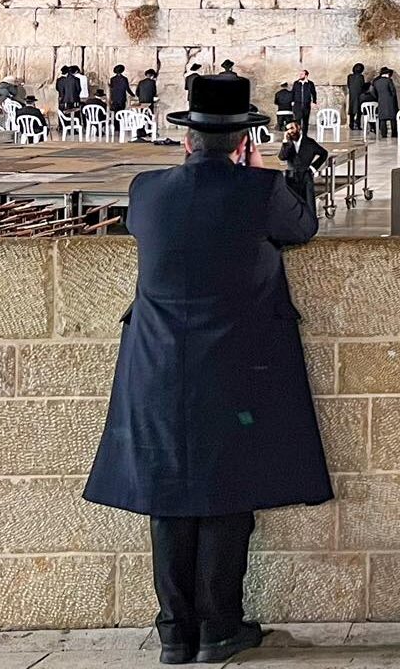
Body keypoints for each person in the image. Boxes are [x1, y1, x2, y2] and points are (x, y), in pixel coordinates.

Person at [83, 72, 324, 666]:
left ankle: (174, 633)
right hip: (235, 365)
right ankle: (219, 626)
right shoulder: (260, 191)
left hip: (157, 364)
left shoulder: (146, 191)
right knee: (227, 492)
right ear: (243, 141)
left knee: (168, 495)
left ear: (188, 139)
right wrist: (280, 176)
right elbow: (301, 228)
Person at [277, 119, 330, 206]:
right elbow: (282, 157)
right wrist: (285, 142)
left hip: (305, 176)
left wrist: (313, 168)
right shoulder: (288, 143)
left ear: (298, 128)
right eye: (287, 129)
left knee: (308, 204)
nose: (290, 131)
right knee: (291, 204)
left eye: (291, 128)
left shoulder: (309, 143)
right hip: (291, 177)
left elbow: (324, 153)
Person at [372, 67, 400, 137]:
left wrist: (378, 98)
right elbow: (393, 91)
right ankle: (394, 133)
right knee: (393, 118)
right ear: (387, 74)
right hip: (390, 102)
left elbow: (373, 92)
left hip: (381, 101)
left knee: (382, 119)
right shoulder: (389, 81)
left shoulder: (376, 82)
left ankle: (383, 134)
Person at [292, 70, 316, 135]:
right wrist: (292, 101)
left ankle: (305, 135)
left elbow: (314, 93)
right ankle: (298, 134)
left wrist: (314, 102)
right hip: (297, 105)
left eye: (302, 74)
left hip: (306, 105)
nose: (300, 75)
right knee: (298, 120)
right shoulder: (296, 83)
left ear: (306, 75)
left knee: (305, 121)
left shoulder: (310, 83)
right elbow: (293, 93)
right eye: (300, 74)